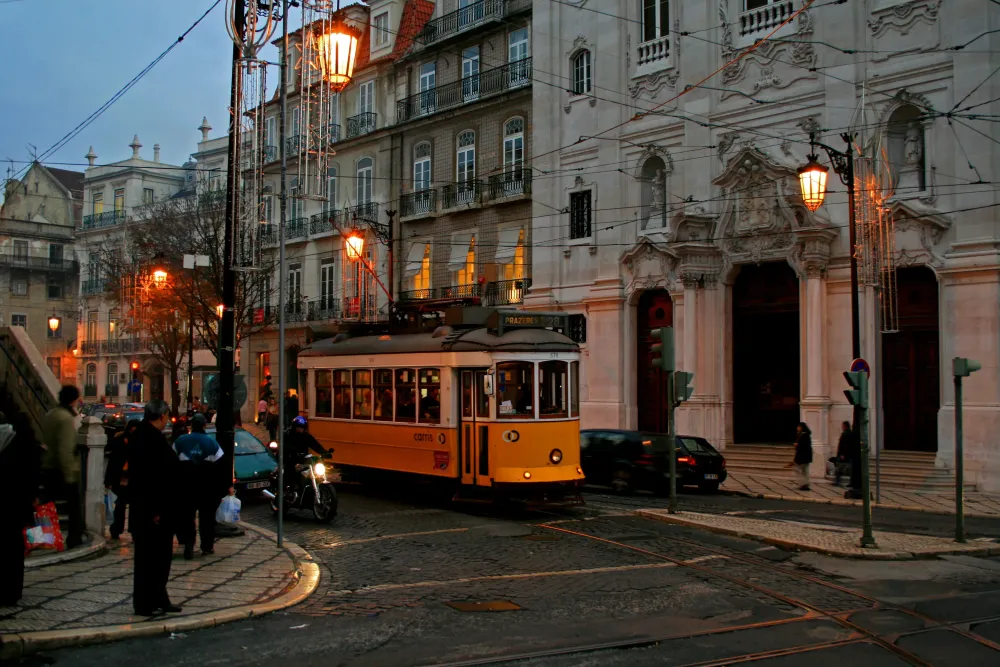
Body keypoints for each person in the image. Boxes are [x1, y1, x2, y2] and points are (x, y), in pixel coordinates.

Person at [129, 399, 181, 616]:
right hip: (152, 510)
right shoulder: (148, 438)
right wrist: (156, 511)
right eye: (166, 415)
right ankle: (145, 602)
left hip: (154, 508)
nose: (167, 418)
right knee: (150, 558)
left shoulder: (145, 435)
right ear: (161, 416)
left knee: (159, 558)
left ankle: (159, 597)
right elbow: (150, 477)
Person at [0, 411, 42, 607]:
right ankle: (13, 590)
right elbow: (32, 473)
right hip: (17, 503)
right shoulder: (25, 443)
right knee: (14, 547)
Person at [173, 414, 226, 558]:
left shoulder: (180, 441)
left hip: (186, 484)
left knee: (187, 516)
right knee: (207, 518)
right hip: (206, 485)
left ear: (191, 425)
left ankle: (188, 544)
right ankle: (207, 546)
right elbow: (221, 465)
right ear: (204, 426)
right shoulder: (211, 443)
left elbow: (172, 461)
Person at [41, 385, 85, 548]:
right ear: (73, 400)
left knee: (46, 505)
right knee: (73, 508)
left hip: (48, 466)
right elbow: (65, 449)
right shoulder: (65, 418)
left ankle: (45, 538)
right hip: (62, 469)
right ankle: (74, 538)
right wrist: (69, 474)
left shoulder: (51, 414)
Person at [104, 420, 139, 540]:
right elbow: (113, 461)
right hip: (121, 477)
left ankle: (132, 530)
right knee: (120, 504)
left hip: (131, 477)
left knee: (131, 505)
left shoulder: (138, 442)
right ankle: (117, 529)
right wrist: (108, 480)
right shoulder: (120, 441)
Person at [283, 416, 329, 493]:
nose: (301, 429)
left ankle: (307, 490)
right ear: (294, 427)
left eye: (302, 427)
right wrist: (293, 450)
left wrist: (324, 452)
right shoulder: (287, 435)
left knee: (311, 470)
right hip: (290, 459)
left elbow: (315, 444)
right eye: (299, 427)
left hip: (303, 460)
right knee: (290, 473)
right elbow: (283, 446)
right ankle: (289, 491)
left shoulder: (306, 436)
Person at [787, 421, 813, 491]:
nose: (797, 428)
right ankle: (805, 484)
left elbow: (804, 446)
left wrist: (797, 445)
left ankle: (803, 484)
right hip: (805, 456)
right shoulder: (804, 434)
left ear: (801, 427)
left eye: (798, 427)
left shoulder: (804, 435)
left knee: (798, 470)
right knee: (804, 471)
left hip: (802, 456)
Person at [833, 421, 853, 487]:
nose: (842, 427)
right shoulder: (850, 433)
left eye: (843, 426)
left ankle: (837, 481)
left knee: (839, 468)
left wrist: (842, 454)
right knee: (843, 469)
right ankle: (838, 481)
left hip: (844, 454)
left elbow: (843, 445)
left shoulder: (845, 434)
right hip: (848, 454)